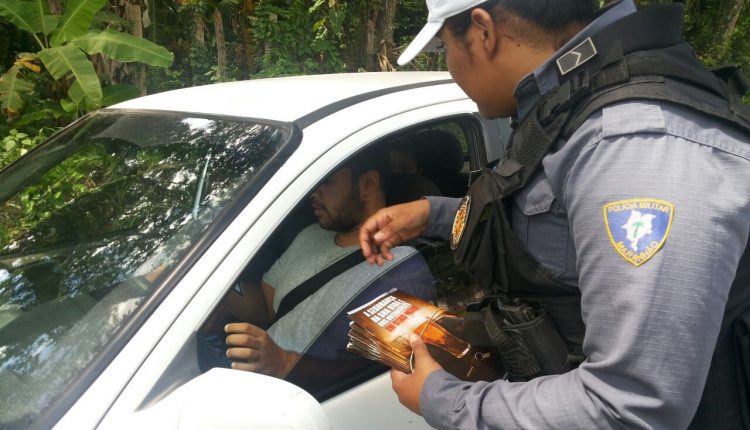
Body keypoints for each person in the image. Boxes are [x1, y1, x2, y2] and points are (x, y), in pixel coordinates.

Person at [359, 1, 750, 429]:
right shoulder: (572, 105)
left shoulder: (631, 144)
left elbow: (629, 405)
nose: (450, 66)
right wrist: (433, 214)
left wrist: (444, 400)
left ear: (483, 31)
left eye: (445, 47)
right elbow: (557, 231)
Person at [224, 149, 436, 387]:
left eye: (327, 181)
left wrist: (283, 362)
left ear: (367, 184)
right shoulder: (310, 235)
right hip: (249, 378)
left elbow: (374, 372)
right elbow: (264, 305)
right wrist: (218, 287)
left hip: (305, 398)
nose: (314, 193)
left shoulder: (402, 269)